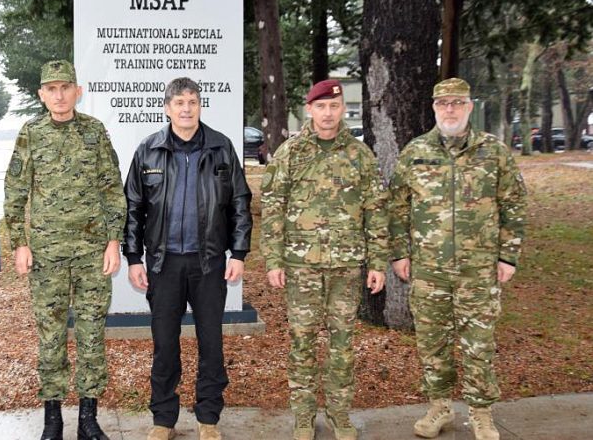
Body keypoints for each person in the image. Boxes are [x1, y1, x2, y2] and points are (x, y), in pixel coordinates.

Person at [389, 78, 526, 440]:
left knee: (479, 343)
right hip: (428, 270)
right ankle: (440, 407)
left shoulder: (493, 151)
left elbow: (513, 203)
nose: (450, 109)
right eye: (443, 103)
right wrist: (399, 253)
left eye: (457, 102)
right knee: (432, 343)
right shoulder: (415, 151)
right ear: (434, 107)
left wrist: (508, 255)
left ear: (469, 106)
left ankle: (481, 413)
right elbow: (397, 207)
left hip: (478, 269)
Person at [123, 77, 252, 440]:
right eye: (179, 102)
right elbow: (133, 207)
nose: (186, 109)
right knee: (165, 344)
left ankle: (208, 418)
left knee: (211, 343)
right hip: (163, 265)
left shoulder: (221, 147)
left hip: (208, 263)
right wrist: (133, 257)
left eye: (192, 102)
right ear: (167, 108)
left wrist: (239, 252)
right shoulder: (148, 150)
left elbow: (240, 202)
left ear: (199, 106)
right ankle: (164, 419)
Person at [4, 60, 126, 440]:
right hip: (47, 255)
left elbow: (112, 187)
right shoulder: (31, 133)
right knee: (51, 335)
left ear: (78, 91)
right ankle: (52, 419)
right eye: (51, 89)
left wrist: (114, 240)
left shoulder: (94, 131)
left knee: (91, 334)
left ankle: (88, 419)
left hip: (92, 254)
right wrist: (20, 243)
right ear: (41, 95)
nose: (59, 95)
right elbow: (15, 191)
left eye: (65, 87)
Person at [260, 79, 389, 440]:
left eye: (334, 106)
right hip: (301, 267)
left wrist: (378, 263)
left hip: (346, 267)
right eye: (321, 107)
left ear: (342, 108)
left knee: (342, 344)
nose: (328, 113)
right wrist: (274, 261)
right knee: (302, 342)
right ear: (310, 109)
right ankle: (303, 416)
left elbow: (376, 210)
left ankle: (339, 413)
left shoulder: (360, 155)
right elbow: (273, 207)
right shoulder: (291, 152)